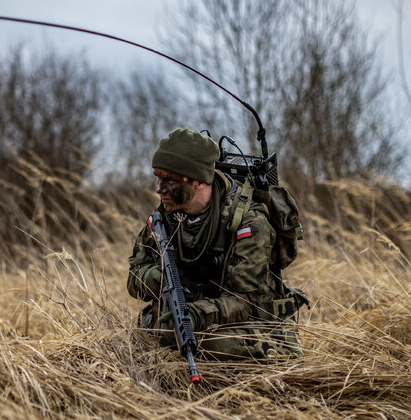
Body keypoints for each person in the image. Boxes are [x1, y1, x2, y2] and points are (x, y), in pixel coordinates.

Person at [127, 127, 305, 360]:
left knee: (215, 345)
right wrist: (162, 277)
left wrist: (196, 315)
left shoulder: (247, 223)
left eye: (169, 180)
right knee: (148, 330)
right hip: (195, 314)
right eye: (157, 177)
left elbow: (248, 302)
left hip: (248, 322)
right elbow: (134, 278)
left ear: (199, 181)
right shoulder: (165, 218)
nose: (159, 189)